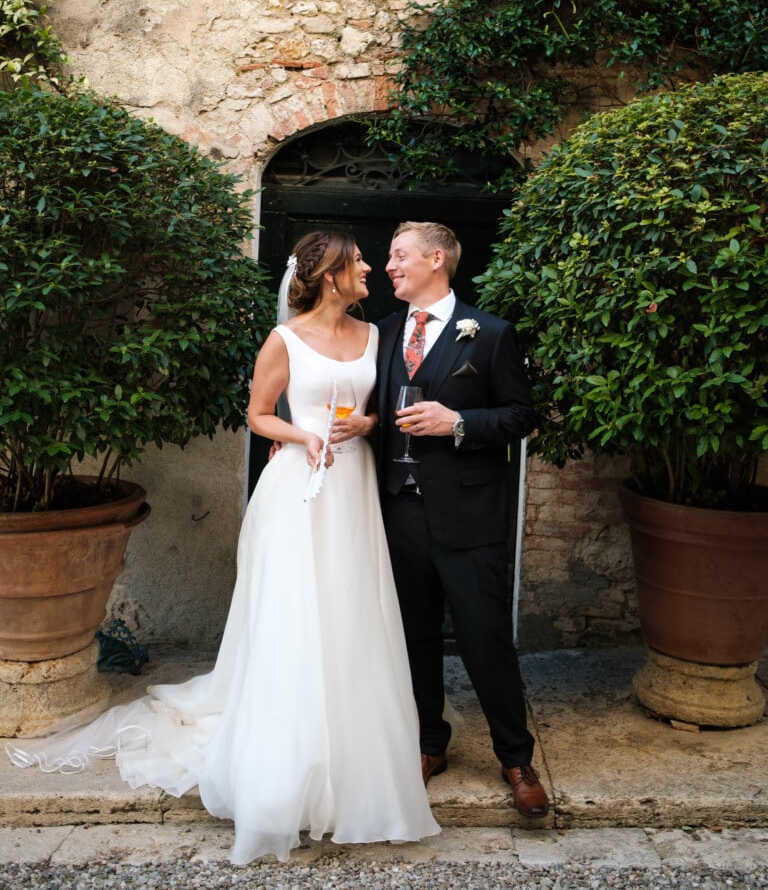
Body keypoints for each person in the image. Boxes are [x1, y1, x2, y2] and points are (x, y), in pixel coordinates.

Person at [8, 231, 440, 863]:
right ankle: (285, 756)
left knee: (352, 609)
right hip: (298, 488)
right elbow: (257, 414)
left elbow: (376, 410)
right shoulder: (284, 339)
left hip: (352, 485)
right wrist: (301, 435)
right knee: (294, 613)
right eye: (359, 262)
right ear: (328, 276)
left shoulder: (376, 336)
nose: (371, 267)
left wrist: (365, 425)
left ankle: (353, 747)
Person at [376, 220, 549, 818]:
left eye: (399, 256)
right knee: (413, 636)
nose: (389, 266)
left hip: (471, 515)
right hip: (399, 510)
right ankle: (430, 743)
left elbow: (522, 416)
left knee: (485, 638)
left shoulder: (491, 334)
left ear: (436, 260)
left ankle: (516, 757)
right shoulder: (383, 334)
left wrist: (458, 424)